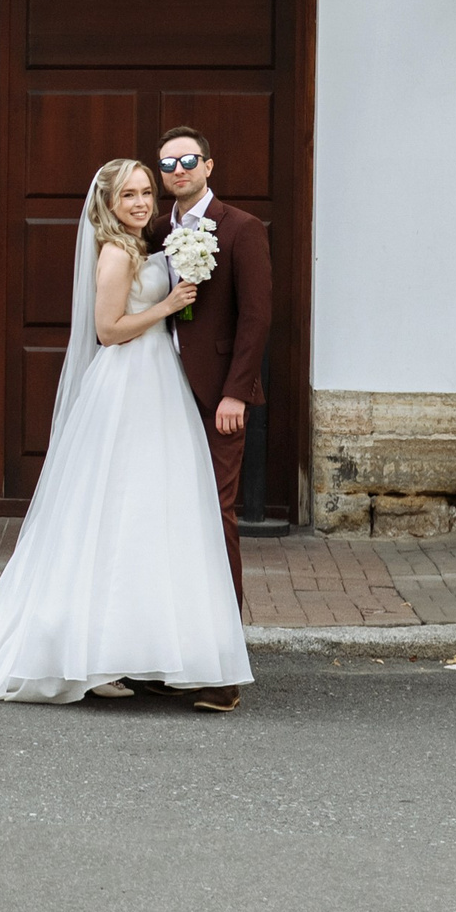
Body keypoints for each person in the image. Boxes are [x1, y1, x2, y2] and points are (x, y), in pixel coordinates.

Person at [0, 158, 252, 708]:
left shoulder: (141, 247)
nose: (141, 202)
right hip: (127, 383)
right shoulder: (115, 253)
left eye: (146, 192)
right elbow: (108, 332)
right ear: (107, 203)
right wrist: (169, 305)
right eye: (128, 195)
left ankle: (137, 646)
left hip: (156, 384)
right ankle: (88, 652)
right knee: (113, 507)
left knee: (147, 510)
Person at [142, 126, 272, 671]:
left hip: (217, 398)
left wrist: (235, 393)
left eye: (188, 160)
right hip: (156, 392)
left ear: (209, 166)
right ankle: (165, 643)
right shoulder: (150, 230)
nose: (179, 171)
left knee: (216, 513)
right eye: (168, 164)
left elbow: (257, 317)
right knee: (160, 514)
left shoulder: (240, 229)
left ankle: (224, 645)